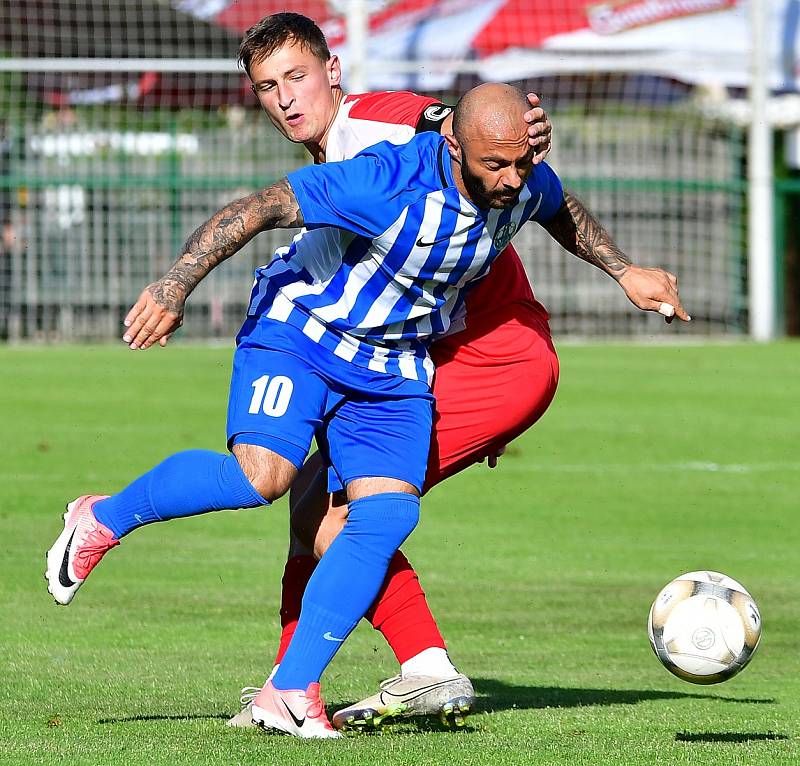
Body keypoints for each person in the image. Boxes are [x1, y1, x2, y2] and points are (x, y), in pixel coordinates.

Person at [46, 80, 688, 740]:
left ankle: (288, 694)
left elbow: (561, 208)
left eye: (520, 162)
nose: (510, 179)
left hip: (393, 364)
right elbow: (258, 207)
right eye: (494, 163)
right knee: (262, 479)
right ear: (452, 145)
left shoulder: (520, 179)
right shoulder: (384, 182)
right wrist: (176, 282)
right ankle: (102, 517)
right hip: (303, 334)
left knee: (385, 514)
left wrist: (625, 271)